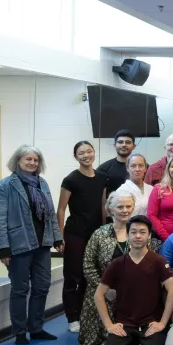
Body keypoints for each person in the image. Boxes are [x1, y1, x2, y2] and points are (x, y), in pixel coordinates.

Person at [0, 145, 63, 345]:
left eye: (36, 160)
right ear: (18, 161)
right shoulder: (4, 185)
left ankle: (36, 328)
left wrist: (57, 238)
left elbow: (50, 215)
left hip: (43, 244)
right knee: (20, 289)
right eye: (28, 159)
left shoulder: (43, 183)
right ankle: (20, 332)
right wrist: (3, 248)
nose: (32, 163)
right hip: (18, 245)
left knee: (41, 287)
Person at [77, 192, 162, 345]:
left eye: (128, 206)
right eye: (120, 207)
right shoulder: (99, 234)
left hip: (136, 291)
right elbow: (88, 265)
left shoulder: (142, 233)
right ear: (110, 209)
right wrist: (105, 289)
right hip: (105, 289)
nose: (125, 210)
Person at [95, 216, 173, 345]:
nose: (138, 236)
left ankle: (140, 341)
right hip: (124, 323)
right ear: (128, 235)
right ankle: (132, 341)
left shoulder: (158, 261)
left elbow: (172, 291)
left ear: (149, 235)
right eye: (133, 232)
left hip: (150, 322)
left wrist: (163, 323)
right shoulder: (117, 264)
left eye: (142, 232)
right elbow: (99, 295)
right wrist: (109, 325)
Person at [57, 141, 108, 332]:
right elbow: (61, 209)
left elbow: (103, 206)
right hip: (75, 233)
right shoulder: (71, 179)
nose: (86, 155)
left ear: (94, 153)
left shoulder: (103, 178)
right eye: (81, 153)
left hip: (95, 233)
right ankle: (72, 317)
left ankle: (85, 312)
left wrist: (104, 231)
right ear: (76, 156)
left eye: (89, 151)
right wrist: (60, 236)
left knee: (90, 276)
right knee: (72, 275)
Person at [96, 129, 136, 195]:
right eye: (120, 142)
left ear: (134, 146)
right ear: (114, 145)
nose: (124, 145)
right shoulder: (103, 169)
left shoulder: (143, 168)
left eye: (128, 142)